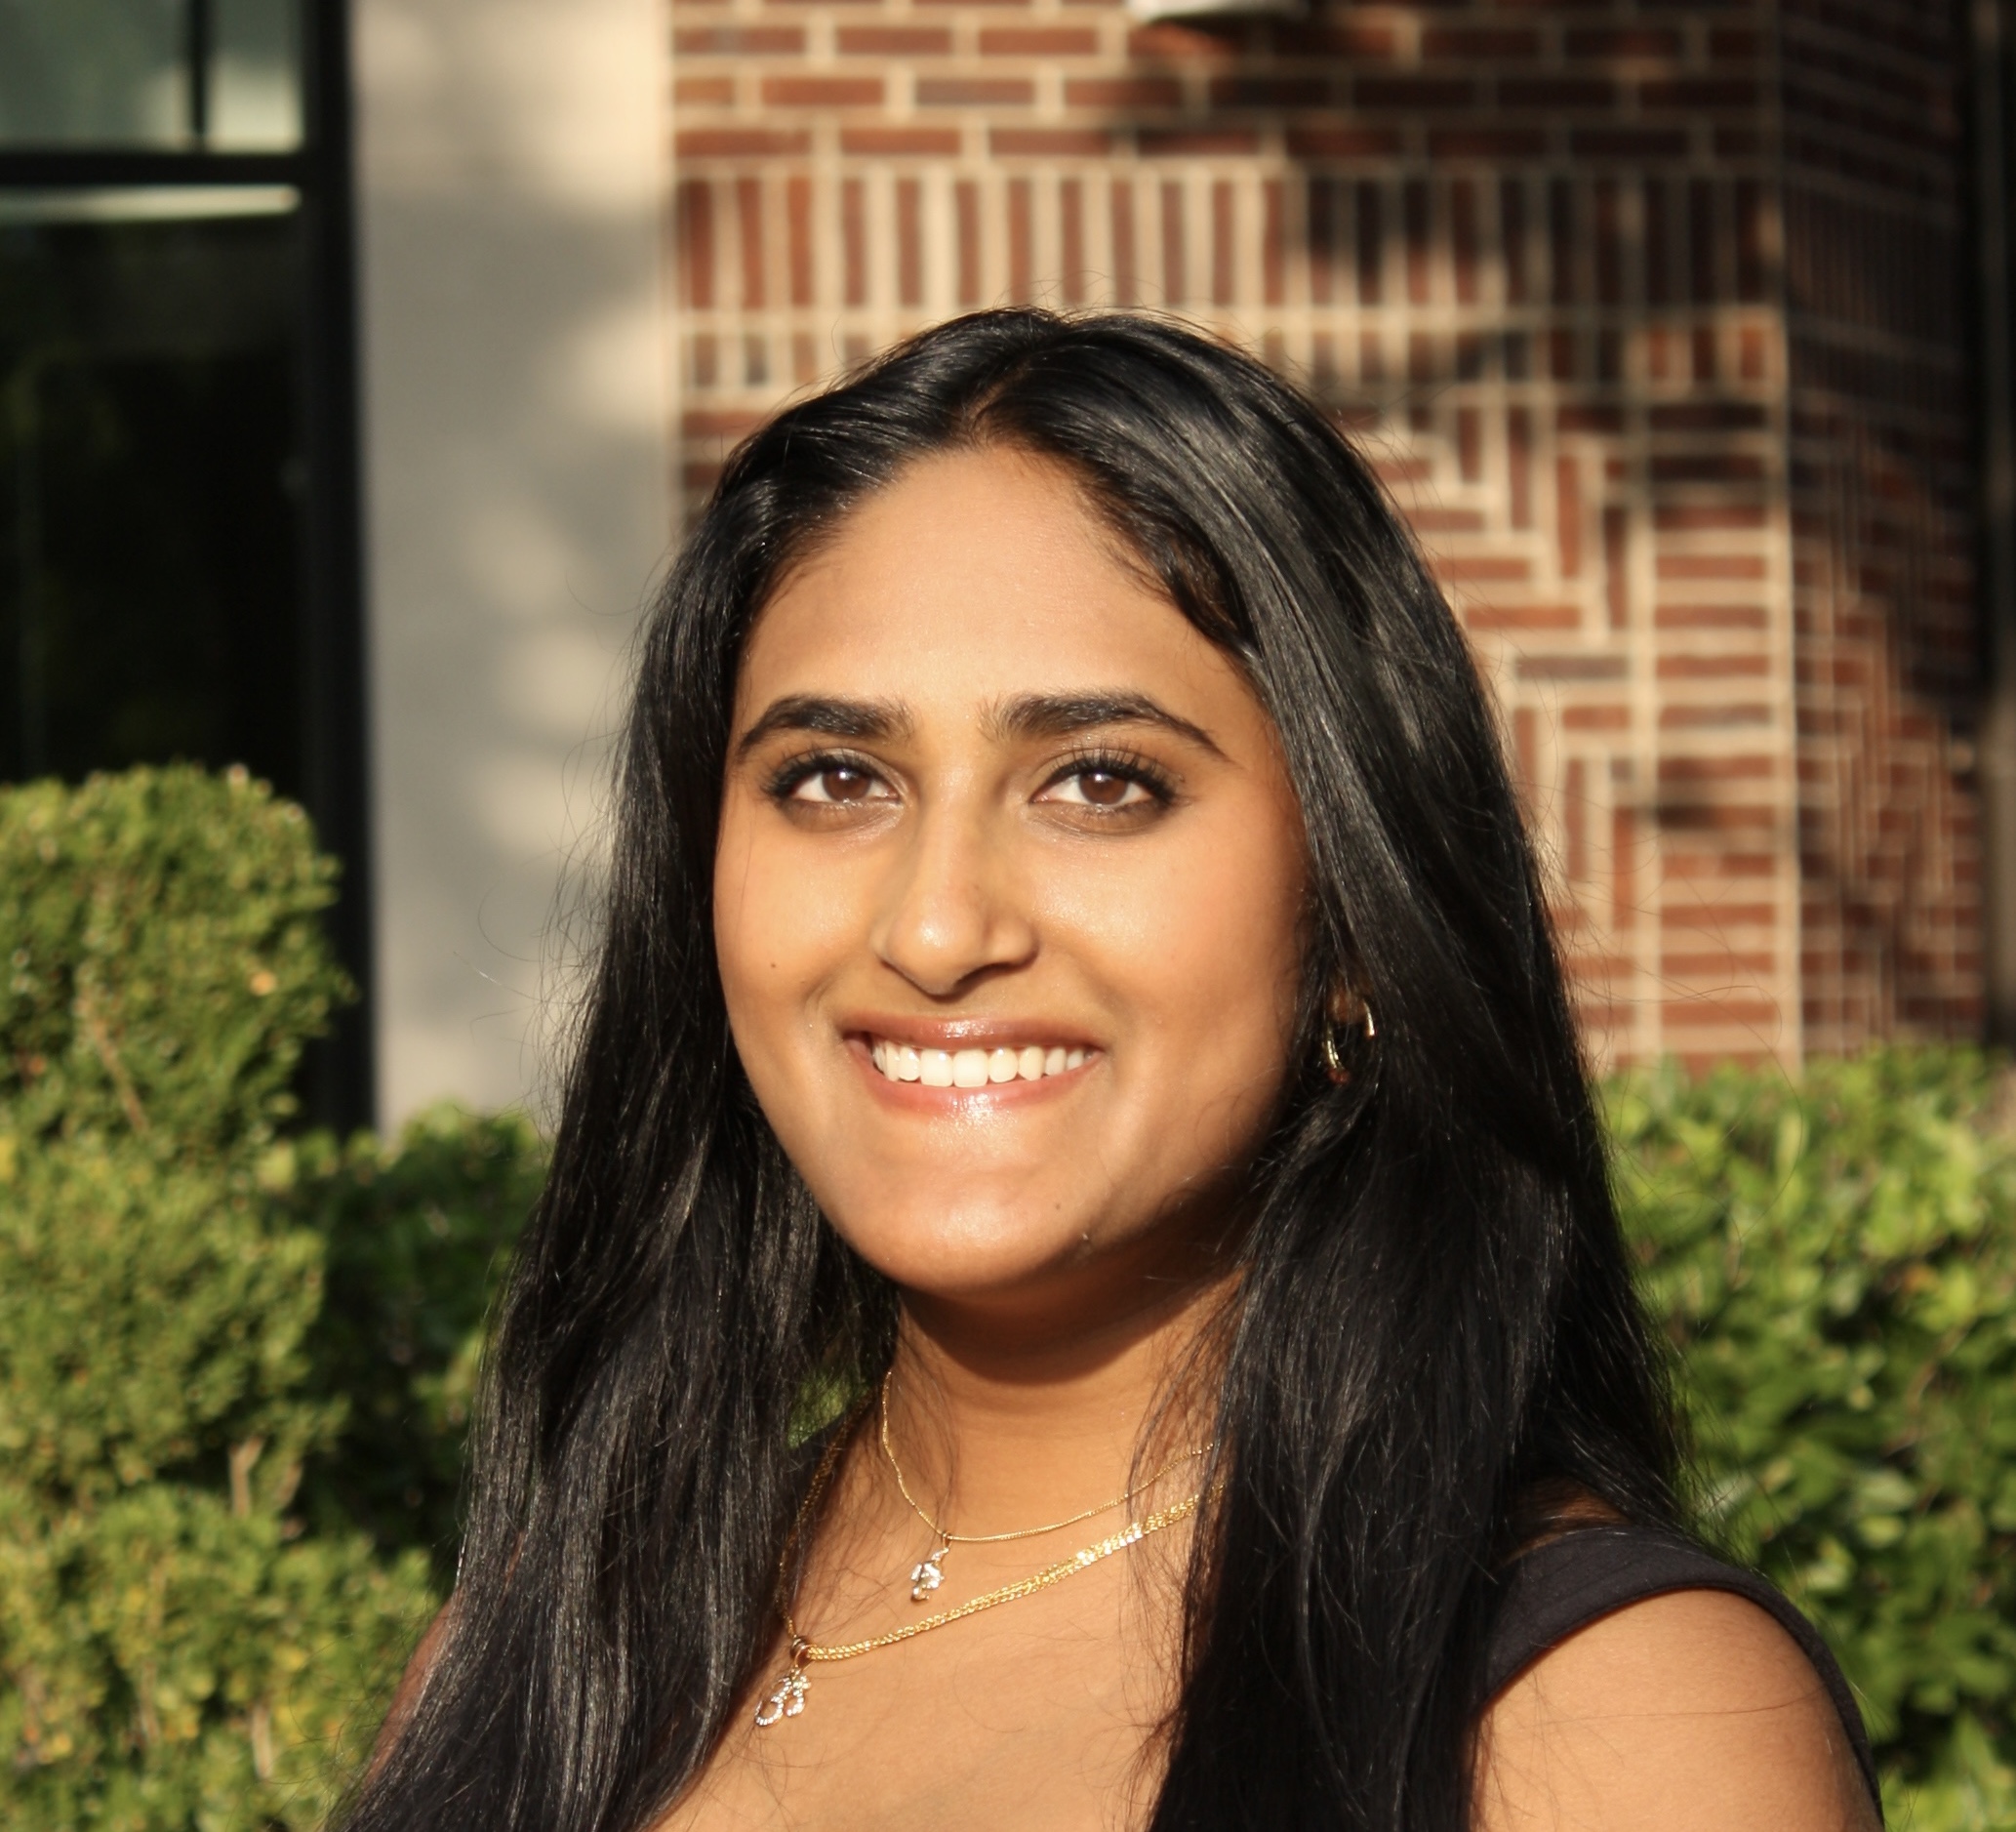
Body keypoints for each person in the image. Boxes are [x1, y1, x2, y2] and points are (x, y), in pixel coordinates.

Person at [347, 310, 1882, 1832]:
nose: (937, 927)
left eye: (1098, 781)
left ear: (1354, 913)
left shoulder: (1604, 1724)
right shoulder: (529, 1666)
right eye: (834, 779)